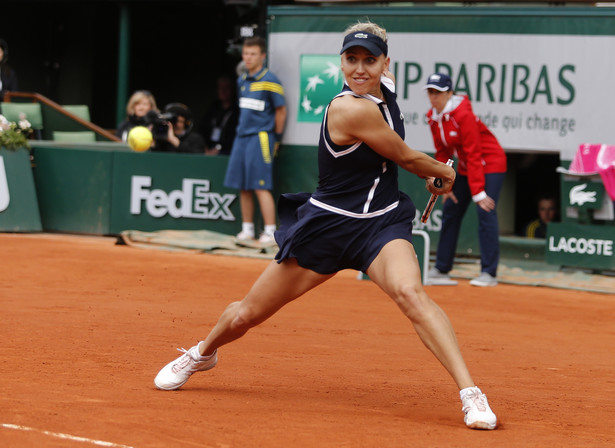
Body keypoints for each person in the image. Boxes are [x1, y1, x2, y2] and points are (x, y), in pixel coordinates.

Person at [154, 21, 498, 431]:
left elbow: (391, 159)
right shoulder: (348, 107)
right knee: (247, 314)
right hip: (328, 228)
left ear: (386, 64)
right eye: (351, 59)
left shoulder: (386, 89)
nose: (359, 69)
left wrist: (428, 173)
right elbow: (405, 155)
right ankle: (202, 352)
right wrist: (443, 171)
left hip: (381, 225)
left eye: (370, 60)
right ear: (340, 61)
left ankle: (470, 392)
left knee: (411, 293)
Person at [424, 73, 507, 288]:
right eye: (430, 92)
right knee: (451, 207)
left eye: (438, 92)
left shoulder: (463, 115)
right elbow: (442, 152)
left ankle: (489, 273)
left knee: (485, 209)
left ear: (449, 93)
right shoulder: (432, 117)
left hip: (490, 163)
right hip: (466, 166)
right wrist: (444, 183)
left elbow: (474, 152)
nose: (434, 97)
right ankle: (442, 269)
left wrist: (479, 193)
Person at [224, 36, 287, 245]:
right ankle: (247, 229)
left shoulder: (271, 80)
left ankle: (270, 231)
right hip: (241, 138)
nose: (248, 58)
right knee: (243, 186)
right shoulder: (241, 80)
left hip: (261, 138)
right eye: (245, 54)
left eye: (252, 54)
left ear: (262, 56)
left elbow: (281, 111)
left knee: (261, 186)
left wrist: (276, 138)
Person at [199, 75, 239, 156]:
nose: (223, 91)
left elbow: (236, 137)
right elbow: (202, 129)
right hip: (208, 149)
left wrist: (218, 149)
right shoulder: (214, 108)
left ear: (233, 89)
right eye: (220, 87)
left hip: (226, 151)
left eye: (227, 87)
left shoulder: (237, 110)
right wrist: (205, 147)